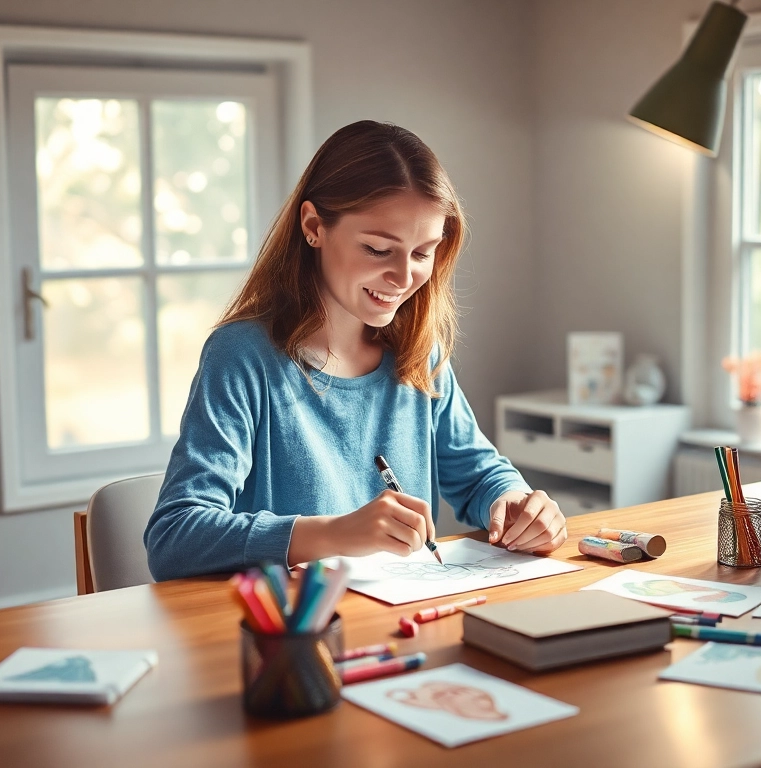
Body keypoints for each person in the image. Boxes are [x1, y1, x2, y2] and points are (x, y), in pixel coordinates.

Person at [145, 120, 568, 581]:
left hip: (396, 626)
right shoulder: (242, 356)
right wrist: (338, 532)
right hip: (293, 636)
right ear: (313, 227)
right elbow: (174, 536)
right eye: (377, 249)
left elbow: (480, 475)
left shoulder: (416, 352)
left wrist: (516, 503)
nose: (404, 278)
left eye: (423, 253)